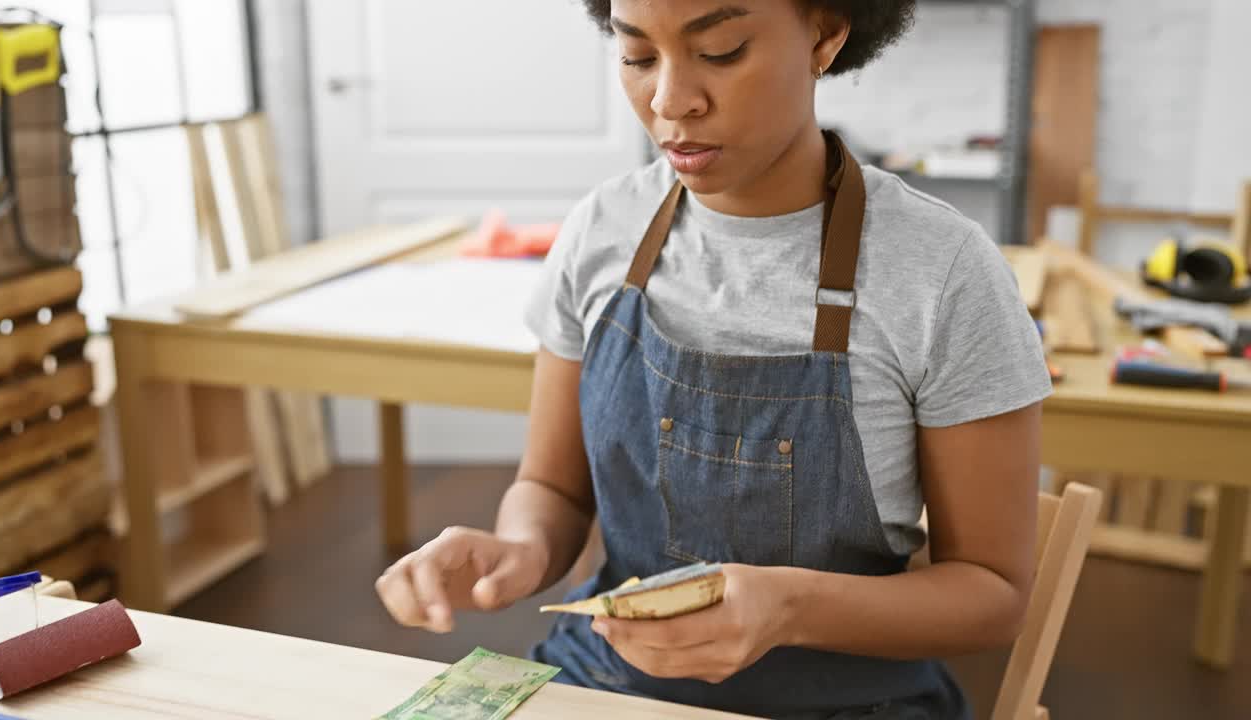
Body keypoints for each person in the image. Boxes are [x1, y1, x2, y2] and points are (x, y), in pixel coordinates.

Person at [375, 1, 1052, 717]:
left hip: (851, 702)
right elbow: (553, 487)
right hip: (605, 681)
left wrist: (789, 608)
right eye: (637, 57)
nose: (670, 100)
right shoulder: (601, 229)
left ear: (825, 36)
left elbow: (993, 595)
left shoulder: (942, 271)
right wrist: (518, 550)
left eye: (722, 51)